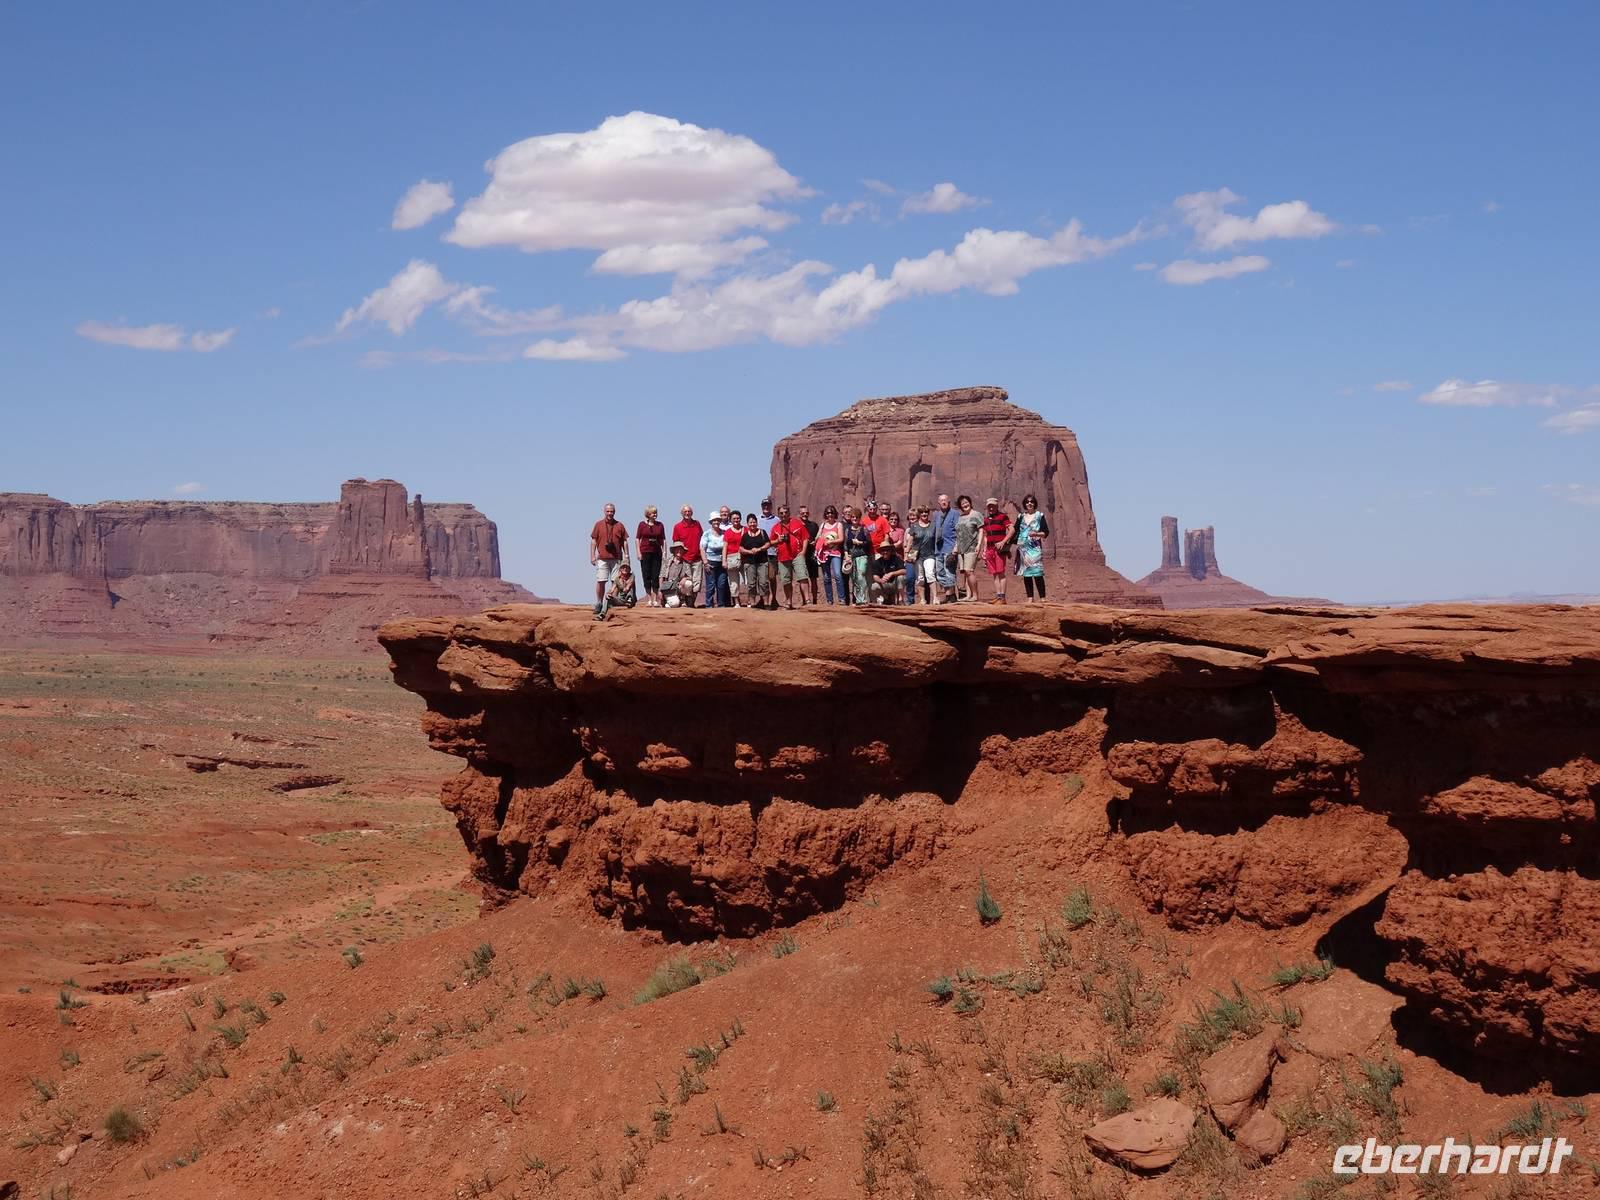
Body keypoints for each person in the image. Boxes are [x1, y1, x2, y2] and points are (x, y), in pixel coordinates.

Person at [590, 502, 628, 615]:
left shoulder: (619, 525)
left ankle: (611, 602)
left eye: (611, 511)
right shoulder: (598, 524)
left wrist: (627, 555)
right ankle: (599, 603)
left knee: (615, 582)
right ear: (604, 512)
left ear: (614, 512)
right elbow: (593, 541)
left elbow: (625, 541)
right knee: (601, 581)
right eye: (608, 511)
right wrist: (592, 555)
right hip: (602, 558)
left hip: (616, 558)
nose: (610, 513)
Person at [771, 503, 810, 609]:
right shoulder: (775, 527)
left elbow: (805, 537)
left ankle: (807, 600)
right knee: (786, 581)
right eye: (781, 513)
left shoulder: (797, 523)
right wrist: (778, 540)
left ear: (789, 513)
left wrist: (803, 552)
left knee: (802, 577)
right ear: (778, 514)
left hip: (797, 555)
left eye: (785, 512)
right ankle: (789, 602)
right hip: (783, 557)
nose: (784, 515)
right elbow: (771, 542)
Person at [1014, 492, 1051, 602]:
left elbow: (1046, 532)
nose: (1029, 504)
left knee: (1037, 572)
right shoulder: (1020, 516)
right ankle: (1030, 598)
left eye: (1031, 502)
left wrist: (1036, 534)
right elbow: (1015, 530)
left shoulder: (1040, 515)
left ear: (1035, 504)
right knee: (1026, 574)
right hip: (1023, 548)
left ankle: (1043, 598)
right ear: (1024, 504)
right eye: (1027, 502)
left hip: (1035, 548)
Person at [982, 497, 1012, 604]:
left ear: (996, 506)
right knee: (994, 574)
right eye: (989, 506)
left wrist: (1003, 541)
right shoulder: (986, 520)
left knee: (1001, 573)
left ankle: (1003, 598)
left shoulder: (1003, 516)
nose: (991, 508)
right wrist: (984, 550)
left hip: (999, 549)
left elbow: (1012, 530)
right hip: (989, 549)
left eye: (993, 506)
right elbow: (985, 536)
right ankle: (998, 596)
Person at [672, 504, 705, 603]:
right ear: (682, 513)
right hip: (685, 559)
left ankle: (692, 602)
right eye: (685, 512)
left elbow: (702, 539)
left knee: (697, 582)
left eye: (689, 511)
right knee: (687, 582)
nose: (687, 513)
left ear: (692, 513)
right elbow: (676, 543)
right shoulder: (677, 527)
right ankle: (685, 601)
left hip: (697, 558)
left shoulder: (697, 524)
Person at [932, 493, 960, 604]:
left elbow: (959, 531)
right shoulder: (937, 515)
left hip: (950, 547)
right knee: (940, 573)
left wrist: (956, 547)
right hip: (938, 549)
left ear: (949, 502)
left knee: (949, 572)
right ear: (938, 502)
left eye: (945, 500)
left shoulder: (955, 514)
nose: (943, 502)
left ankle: (950, 596)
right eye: (941, 500)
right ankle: (949, 595)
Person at [815, 505, 846, 604]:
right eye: (828, 513)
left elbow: (841, 539)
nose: (830, 515)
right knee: (826, 576)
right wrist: (821, 538)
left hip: (835, 553)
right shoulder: (823, 525)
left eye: (832, 513)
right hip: (824, 554)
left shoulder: (838, 525)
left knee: (837, 574)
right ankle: (829, 600)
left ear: (835, 514)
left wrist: (831, 542)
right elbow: (817, 537)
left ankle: (842, 599)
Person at [955, 495, 983, 602]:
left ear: (970, 503)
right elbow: (958, 534)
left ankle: (975, 596)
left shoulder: (976, 515)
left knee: (969, 570)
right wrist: (956, 546)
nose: (965, 504)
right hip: (961, 548)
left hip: (971, 547)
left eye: (966, 502)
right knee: (965, 573)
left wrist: (979, 545)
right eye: (962, 504)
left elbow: (980, 530)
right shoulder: (961, 517)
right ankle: (968, 595)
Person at [908, 507, 939, 604]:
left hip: (930, 554)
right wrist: (907, 553)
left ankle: (935, 598)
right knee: (920, 578)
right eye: (922, 512)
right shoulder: (915, 526)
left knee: (930, 574)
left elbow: (937, 539)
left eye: (926, 512)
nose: (924, 514)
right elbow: (910, 541)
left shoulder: (933, 525)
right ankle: (922, 599)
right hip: (917, 555)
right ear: (919, 514)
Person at [636, 505, 665, 607]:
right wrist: (638, 552)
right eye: (653, 513)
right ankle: (649, 599)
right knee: (646, 575)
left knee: (655, 575)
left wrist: (664, 551)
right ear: (648, 514)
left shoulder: (660, 525)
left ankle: (655, 599)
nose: (655, 514)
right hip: (645, 552)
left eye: (656, 512)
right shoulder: (642, 525)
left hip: (657, 552)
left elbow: (663, 539)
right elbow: (637, 539)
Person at [739, 513, 771, 606]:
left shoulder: (762, 532)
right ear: (747, 524)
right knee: (751, 584)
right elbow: (741, 549)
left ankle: (766, 603)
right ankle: (752, 603)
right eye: (750, 522)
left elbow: (768, 544)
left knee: (763, 583)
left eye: (754, 522)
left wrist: (759, 549)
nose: (752, 524)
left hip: (762, 562)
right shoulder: (745, 536)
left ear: (757, 523)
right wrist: (750, 551)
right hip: (749, 563)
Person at [845, 507, 873, 605]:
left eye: (856, 517)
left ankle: (863, 599)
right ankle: (857, 600)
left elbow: (869, 543)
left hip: (862, 556)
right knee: (854, 578)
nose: (854, 519)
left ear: (859, 517)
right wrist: (846, 556)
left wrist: (860, 542)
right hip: (851, 556)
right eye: (852, 517)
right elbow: (845, 545)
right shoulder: (847, 530)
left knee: (861, 575)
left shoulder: (864, 529)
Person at [701, 514, 729, 607]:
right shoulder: (706, 534)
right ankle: (709, 605)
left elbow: (726, 546)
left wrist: (724, 560)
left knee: (721, 584)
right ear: (711, 522)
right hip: (710, 562)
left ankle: (721, 604)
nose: (716, 522)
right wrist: (705, 563)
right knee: (711, 585)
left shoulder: (724, 533)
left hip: (722, 562)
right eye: (714, 520)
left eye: (718, 520)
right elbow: (702, 548)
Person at [757, 498, 780, 609]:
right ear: (761, 506)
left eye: (768, 505)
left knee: (771, 577)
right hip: (760, 553)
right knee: (761, 578)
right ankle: (762, 599)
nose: (766, 507)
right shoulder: (757, 519)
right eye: (764, 505)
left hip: (772, 553)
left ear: (771, 506)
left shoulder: (777, 520)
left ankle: (773, 599)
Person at [660, 540, 696, 607]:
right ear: (674, 551)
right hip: (668, 588)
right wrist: (660, 590)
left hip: (679, 587)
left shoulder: (686, 564)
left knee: (688, 583)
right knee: (674, 604)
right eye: (677, 549)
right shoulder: (667, 562)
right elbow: (661, 576)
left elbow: (690, 577)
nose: (679, 551)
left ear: (683, 551)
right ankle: (668, 602)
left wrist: (685, 578)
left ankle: (683, 600)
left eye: (681, 550)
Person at [870, 534, 902, 604]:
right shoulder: (877, 562)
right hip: (884, 584)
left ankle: (901, 600)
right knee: (874, 586)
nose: (885, 552)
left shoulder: (896, 559)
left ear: (890, 551)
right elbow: (875, 576)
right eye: (883, 550)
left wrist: (892, 573)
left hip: (895, 584)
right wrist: (880, 580)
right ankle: (882, 599)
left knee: (901, 578)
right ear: (881, 552)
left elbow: (904, 570)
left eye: (887, 550)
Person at [724, 508, 744, 606]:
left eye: (738, 518)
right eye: (734, 519)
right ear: (731, 520)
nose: (736, 520)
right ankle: (737, 602)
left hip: (744, 557)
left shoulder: (746, 530)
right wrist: (724, 560)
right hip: (731, 557)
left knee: (747, 580)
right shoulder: (728, 532)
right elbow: (725, 547)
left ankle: (749, 601)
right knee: (733, 581)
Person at [799, 504, 820, 593]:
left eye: (807, 513)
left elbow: (819, 538)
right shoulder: (797, 526)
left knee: (813, 578)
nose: (805, 514)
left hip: (812, 555)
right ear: (799, 514)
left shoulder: (814, 525)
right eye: (803, 513)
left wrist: (815, 542)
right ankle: (805, 600)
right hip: (801, 554)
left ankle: (814, 600)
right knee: (802, 578)